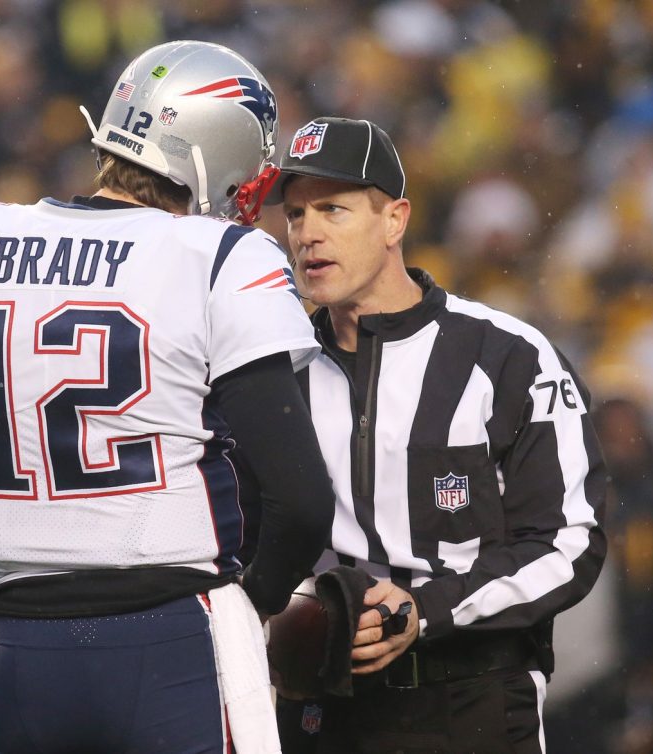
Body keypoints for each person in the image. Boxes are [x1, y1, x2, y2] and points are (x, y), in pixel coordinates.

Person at [0, 40, 335, 754]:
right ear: (211, 153)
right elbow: (301, 504)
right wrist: (250, 603)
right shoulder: (220, 258)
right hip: (177, 639)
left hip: (24, 658)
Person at [259, 116, 608, 753]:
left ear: (395, 220)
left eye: (333, 209)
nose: (307, 233)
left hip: (468, 700)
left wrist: (430, 609)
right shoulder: (270, 370)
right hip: (318, 707)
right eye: (295, 213)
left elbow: (568, 542)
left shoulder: (510, 358)